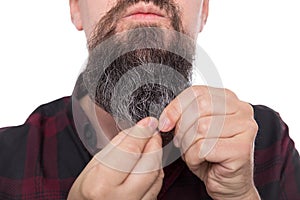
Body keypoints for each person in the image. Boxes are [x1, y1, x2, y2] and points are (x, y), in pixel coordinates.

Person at [0, 0, 299, 200]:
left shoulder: (268, 144)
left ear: (204, 10)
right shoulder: (6, 166)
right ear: (76, 7)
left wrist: (242, 195)